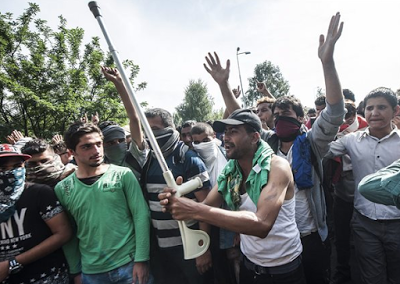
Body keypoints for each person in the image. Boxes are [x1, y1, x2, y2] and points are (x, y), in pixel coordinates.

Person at [203, 12, 345, 284]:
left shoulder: (313, 143)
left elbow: (335, 111)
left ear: (301, 119)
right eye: (276, 113)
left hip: (309, 234)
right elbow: (241, 118)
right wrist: (223, 85)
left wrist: (327, 62)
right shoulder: (267, 143)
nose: (279, 118)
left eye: (286, 113)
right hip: (275, 247)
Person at [160, 108, 305, 284]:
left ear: (254, 137)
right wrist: (178, 201)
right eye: (225, 132)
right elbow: (207, 206)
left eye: (233, 132)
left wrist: (195, 209)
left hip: (283, 270)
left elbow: (262, 224)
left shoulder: (277, 168)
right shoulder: (230, 172)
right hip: (249, 265)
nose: (225, 137)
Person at [100, 67, 212, 284]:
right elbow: (133, 118)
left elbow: (206, 205)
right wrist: (119, 86)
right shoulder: (146, 159)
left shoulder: (187, 159)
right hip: (159, 248)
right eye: (147, 129)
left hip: (188, 245)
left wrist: (202, 248)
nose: (150, 134)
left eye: (155, 129)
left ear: (170, 129)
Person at [54, 122, 151, 284]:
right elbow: (68, 232)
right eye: (87, 147)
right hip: (91, 272)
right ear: (71, 152)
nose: (96, 151)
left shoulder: (123, 175)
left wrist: (141, 260)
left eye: (99, 144)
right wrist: (75, 271)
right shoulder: (63, 188)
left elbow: (141, 215)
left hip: (130, 266)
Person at [326, 87, 400, 284]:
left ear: (396, 111)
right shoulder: (351, 140)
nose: (374, 113)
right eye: (370, 108)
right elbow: (322, 150)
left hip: (397, 222)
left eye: (382, 107)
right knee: (371, 277)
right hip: (365, 224)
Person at [0, 144, 71, 284]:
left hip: (47, 276)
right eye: (3, 169)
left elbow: (63, 233)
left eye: (17, 166)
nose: (11, 172)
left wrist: (12, 263)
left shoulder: (38, 193)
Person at [191, 122, 241, 284]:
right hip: (208, 222)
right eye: (196, 142)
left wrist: (238, 229)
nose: (201, 145)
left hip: (232, 221)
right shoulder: (193, 161)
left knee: (235, 266)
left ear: (214, 137)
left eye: (205, 140)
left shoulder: (229, 156)